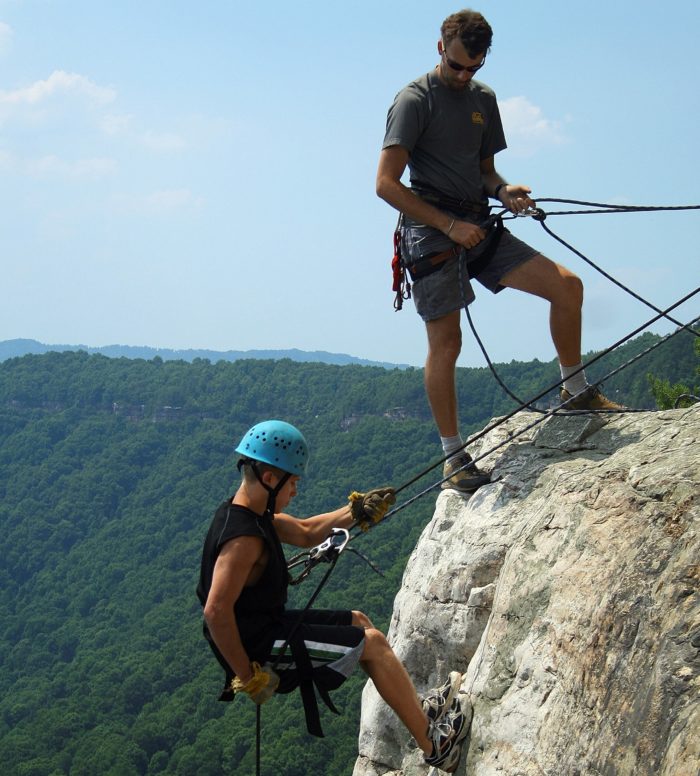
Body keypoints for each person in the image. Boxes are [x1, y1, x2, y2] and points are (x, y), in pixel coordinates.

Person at [376, 8, 625, 494]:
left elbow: (485, 172)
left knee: (567, 286)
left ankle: (574, 392)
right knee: (447, 343)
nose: (465, 75)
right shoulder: (413, 100)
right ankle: (454, 459)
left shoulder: (483, 100)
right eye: (457, 65)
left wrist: (506, 192)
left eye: (475, 67)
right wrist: (449, 224)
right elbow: (386, 184)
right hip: (431, 232)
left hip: (477, 222)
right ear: (440, 48)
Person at [196, 419, 471, 772]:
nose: (295, 490)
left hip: (266, 626)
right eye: (292, 482)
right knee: (369, 643)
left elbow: (308, 531)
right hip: (259, 650)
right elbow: (216, 611)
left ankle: (417, 711)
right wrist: (249, 678)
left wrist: (355, 511)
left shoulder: (251, 514)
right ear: (269, 478)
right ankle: (436, 746)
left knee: (358, 621)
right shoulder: (244, 538)